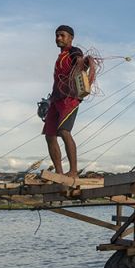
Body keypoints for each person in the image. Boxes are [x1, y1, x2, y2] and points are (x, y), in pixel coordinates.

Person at [43, 25, 84, 177]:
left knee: (64, 131)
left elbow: (80, 61)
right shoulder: (60, 57)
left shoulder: (73, 51)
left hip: (69, 98)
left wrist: (81, 67)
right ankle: (59, 173)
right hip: (56, 98)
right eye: (57, 35)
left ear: (71, 38)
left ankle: (73, 171)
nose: (58, 38)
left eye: (62, 35)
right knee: (49, 134)